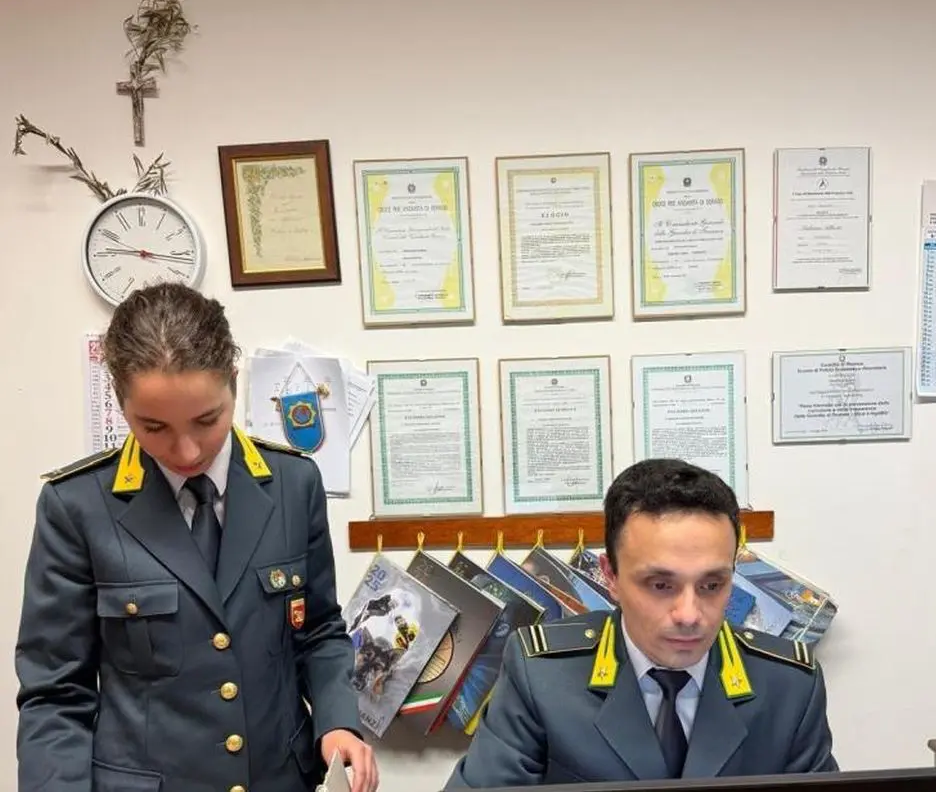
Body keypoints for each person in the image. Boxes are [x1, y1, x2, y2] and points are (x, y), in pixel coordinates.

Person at [15, 283, 378, 792]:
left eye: (207, 420)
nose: (187, 451)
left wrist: (337, 721)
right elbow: (56, 692)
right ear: (121, 403)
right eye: (154, 427)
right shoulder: (77, 506)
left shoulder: (293, 484)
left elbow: (318, 629)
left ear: (234, 382)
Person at [445, 458, 838, 787]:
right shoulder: (542, 675)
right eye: (661, 585)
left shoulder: (789, 687)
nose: (689, 615)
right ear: (611, 577)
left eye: (712, 585)